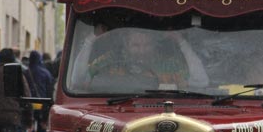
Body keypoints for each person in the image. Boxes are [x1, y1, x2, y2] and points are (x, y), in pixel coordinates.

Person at [72, 25, 208, 91]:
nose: (142, 51)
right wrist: (90, 41)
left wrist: (181, 41)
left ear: (154, 44)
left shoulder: (169, 65)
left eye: (147, 45)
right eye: (136, 46)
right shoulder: (109, 62)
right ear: (126, 44)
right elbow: (77, 81)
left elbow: (201, 81)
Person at [28, 50, 54, 132]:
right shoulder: (45, 73)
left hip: (28, 104)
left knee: (29, 128)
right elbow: (49, 91)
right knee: (42, 130)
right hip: (42, 105)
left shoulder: (26, 72)